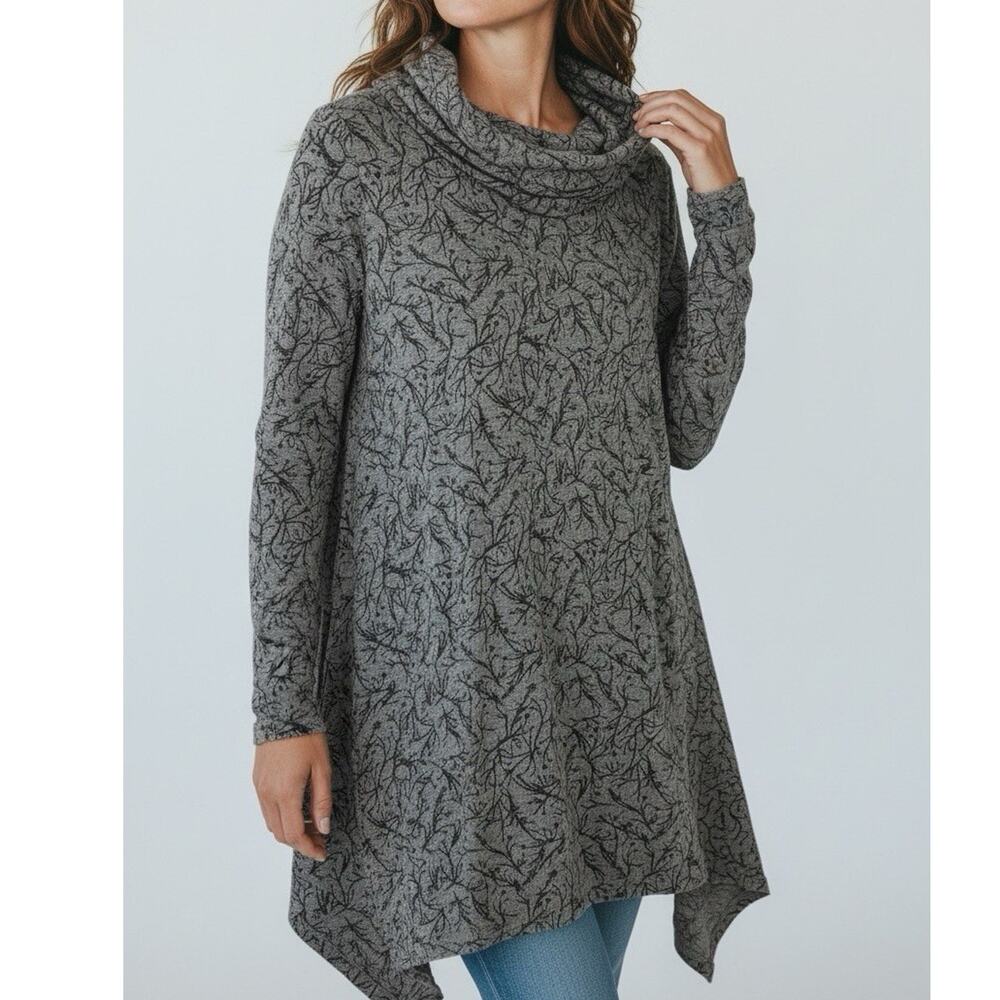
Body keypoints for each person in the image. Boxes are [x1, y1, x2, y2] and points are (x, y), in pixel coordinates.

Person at [248, 2, 769, 999]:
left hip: (622, 675)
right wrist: (283, 709)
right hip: (451, 687)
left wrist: (721, 211)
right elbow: (294, 446)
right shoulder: (360, 148)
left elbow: (683, 426)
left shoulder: (629, 170)